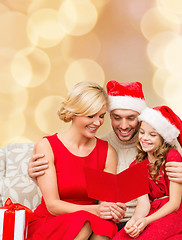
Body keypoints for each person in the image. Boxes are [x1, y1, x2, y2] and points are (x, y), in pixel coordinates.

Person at [28, 80, 182, 239]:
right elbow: (96, 195)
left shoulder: (160, 141)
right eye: (116, 117)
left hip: (165, 216)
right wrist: (37, 175)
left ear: (142, 117)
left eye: (131, 118)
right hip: (126, 222)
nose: (124, 125)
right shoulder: (103, 146)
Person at [27, 82, 118, 240]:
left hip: (90, 219)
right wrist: (97, 210)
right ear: (74, 113)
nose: (97, 123)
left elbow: (105, 204)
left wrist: (112, 209)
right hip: (51, 221)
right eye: (91, 116)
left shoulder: (108, 152)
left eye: (101, 116)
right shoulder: (47, 146)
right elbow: (53, 206)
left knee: (104, 227)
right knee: (85, 223)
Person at [113, 105, 182, 240]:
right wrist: (134, 222)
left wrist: (146, 221)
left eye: (152, 135)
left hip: (180, 209)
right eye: (142, 132)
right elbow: (143, 204)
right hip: (155, 209)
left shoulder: (172, 156)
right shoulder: (135, 165)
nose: (145, 138)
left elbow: (175, 203)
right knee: (121, 237)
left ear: (163, 138)